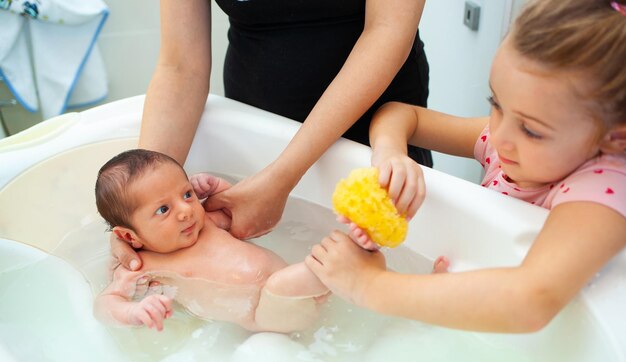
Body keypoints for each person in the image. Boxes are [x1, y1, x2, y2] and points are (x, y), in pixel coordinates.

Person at [305, 0, 626, 333]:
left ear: (616, 137)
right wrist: (391, 154)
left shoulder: (603, 191)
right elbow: (401, 114)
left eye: (531, 130)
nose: (500, 136)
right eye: (496, 105)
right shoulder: (507, 142)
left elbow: (531, 301)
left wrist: (368, 286)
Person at [135, 1, 429, 249]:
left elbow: (387, 31)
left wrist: (281, 177)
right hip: (256, 123)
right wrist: (136, 205)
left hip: (374, 128)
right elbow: (180, 67)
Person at [94, 149, 329, 333]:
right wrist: (134, 312)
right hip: (264, 316)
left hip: (291, 294)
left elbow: (241, 216)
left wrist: (221, 189)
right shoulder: (141, 266)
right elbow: (104, 306)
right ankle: (332, 270)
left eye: (187, 194)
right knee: (283, 284)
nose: (185, 210)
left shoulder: (204, 222)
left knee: (285, 283)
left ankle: (328, 274)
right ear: (128, 236)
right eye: (164, 209)